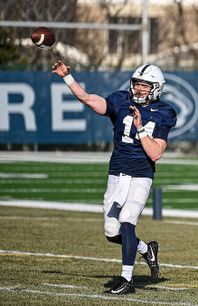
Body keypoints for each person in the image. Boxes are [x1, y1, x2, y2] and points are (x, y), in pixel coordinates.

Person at [52, 60, 177, 294]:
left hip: (141, 175)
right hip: (117, 174)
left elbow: (156, 153)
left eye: (145, 85)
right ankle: (145, 249)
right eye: (136, 84)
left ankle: (126, 279)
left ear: (157, 88)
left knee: (128, 220)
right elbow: (89, 99)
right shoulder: (121, 100)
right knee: (112, 232)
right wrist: (67, 78)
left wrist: (140, 127)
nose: (138, 89)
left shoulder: (164, 113)